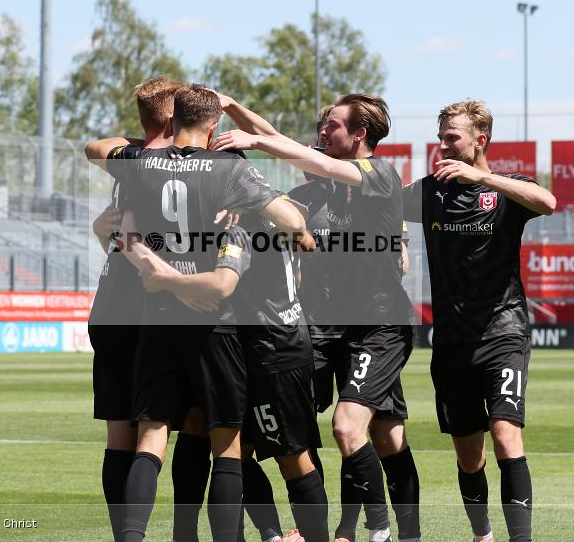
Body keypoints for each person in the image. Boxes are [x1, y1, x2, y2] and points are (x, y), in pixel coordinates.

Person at [89, 85, 310, 542]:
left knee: (151, 437)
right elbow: (291, 222)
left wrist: (155, 269)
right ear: (215, 128)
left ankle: (130, 538)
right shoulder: (227, 167)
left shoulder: (141, 164)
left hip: (158, 315)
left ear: (172, 122)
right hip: (214, 317)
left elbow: (107, 193)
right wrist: (257, 203)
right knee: (225, 444)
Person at [212, 94, 421, 542]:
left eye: (332, 126)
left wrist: (259, 143)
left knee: (367, 432)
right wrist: (231, 108)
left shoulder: (381, 175)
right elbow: (281, 144)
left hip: (377, 325)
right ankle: (304, 531)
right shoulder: (316, 189)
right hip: (320, 328)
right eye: (322, 126)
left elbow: (290, 149)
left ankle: (380, 529)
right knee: (276, 434)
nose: (322, 133)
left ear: (359, 135)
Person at [402, 99, 556, 542]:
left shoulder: (506, 187)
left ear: (479, 140)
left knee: (506, 436)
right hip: (451, 341)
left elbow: (547, 202)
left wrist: (484, 177)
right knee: (469, 456)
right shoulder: (430, 190)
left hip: (503, 332)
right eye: (441, 137)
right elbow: (380, 205)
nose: (443, 146)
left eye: (452, 138)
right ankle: (482, 535)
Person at [140, 209, 330, 542]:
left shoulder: (239, 228)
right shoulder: (281, 207)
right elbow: (308, 243)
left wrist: (165, 280)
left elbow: (223, 284)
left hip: (273, 351)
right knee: (231, 452)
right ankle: (267, 534)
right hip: (258, 345)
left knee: (292, 459)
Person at [86, 75, 185, 541]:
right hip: (154, 303)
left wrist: (143, 136)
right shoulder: (184, 165)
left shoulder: (129, 162)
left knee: (117, 435)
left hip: (109, 304)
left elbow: (93, 146)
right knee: (155, 429)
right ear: (173, 117)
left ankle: (121, 536)